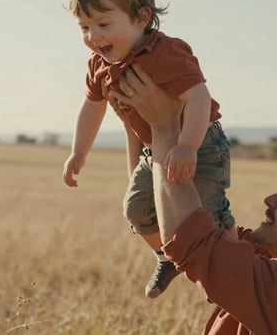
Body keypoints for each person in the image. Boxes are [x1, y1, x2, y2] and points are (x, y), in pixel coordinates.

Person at [62, 0, 236, 298]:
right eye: (84, 27)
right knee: (135, 208)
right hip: (152, 148)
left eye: (103, 23)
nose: (92, 37)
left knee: (204, 213)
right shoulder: (99, 66)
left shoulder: (165, 53)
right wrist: (78, 153)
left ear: (141, 18)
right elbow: (92, 107)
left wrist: (186, 146)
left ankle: (237, 256)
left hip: (200, 145)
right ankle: (165, 255)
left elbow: (198, 97)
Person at [108, 64, 277, 334]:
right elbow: (164, 208)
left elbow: (190, 240)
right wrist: (140, 130)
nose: (270, 200)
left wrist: (163, 126)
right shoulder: (262, 257)